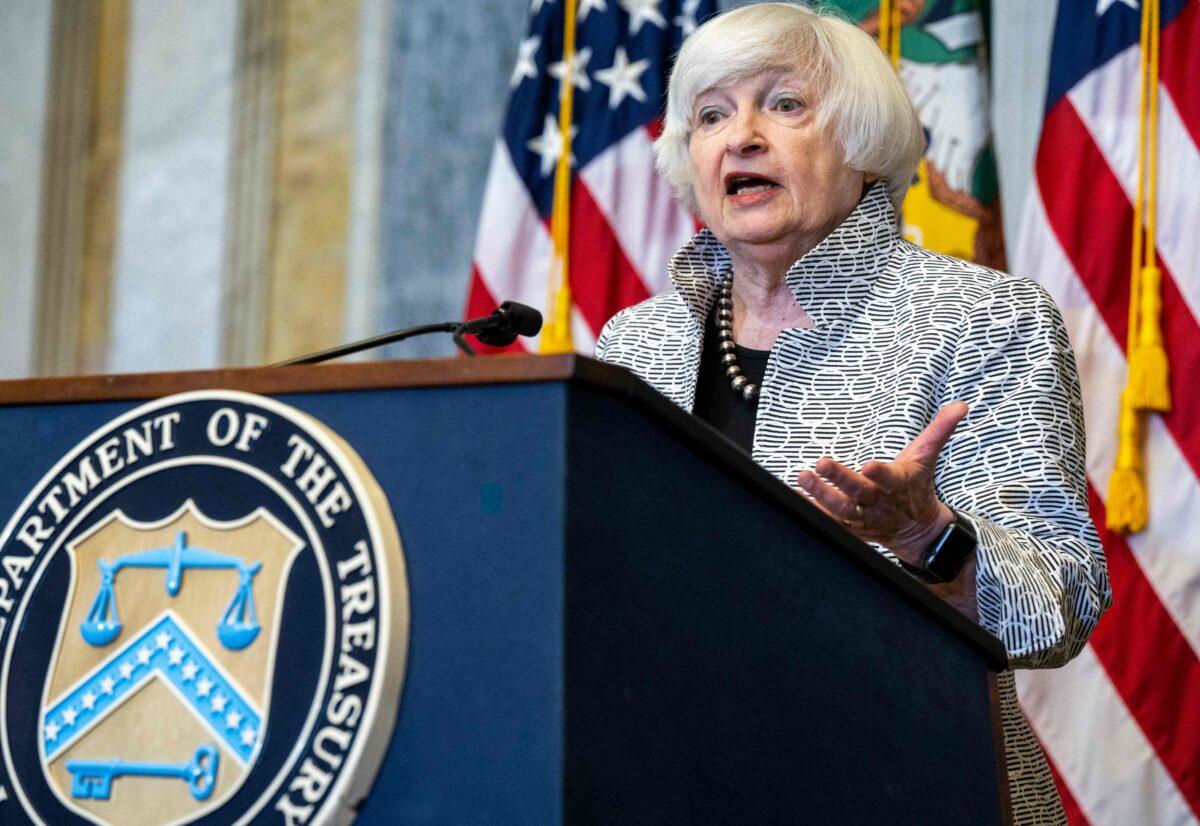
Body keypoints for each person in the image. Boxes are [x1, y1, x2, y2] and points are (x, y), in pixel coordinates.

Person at [594, 3, 1112, 823]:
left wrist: (928, 539)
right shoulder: (637, 344)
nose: (742, 136)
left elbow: (1063, 603)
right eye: (711, 116)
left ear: (866, 147)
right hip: (673, 782)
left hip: (916, 785)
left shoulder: (982, 317)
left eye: (784, 105)